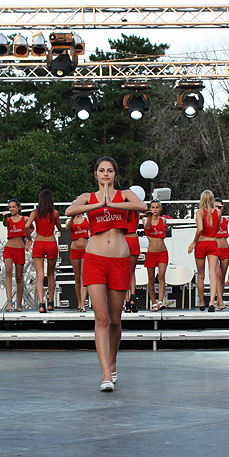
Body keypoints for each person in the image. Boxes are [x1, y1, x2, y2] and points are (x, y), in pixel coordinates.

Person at [65, 156, 147, 391]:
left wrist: (113, 204)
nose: (106, 174)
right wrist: (98, 205)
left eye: (110, 170)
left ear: (115, 174)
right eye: (101, 170)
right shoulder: (88, 197)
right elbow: (70, 210)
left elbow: (142, 206)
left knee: (115, 320)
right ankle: (105, 375)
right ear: (96, 174)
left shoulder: (125, 195)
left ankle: (112, 363)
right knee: (101, 318)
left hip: (119, 260)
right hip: (95, 259)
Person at [28, 190, 62, 313]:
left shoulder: (35, 213)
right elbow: (59, 228)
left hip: (39, 243)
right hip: (51, 242)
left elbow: (26, 226)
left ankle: (41, 304)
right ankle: (51, 303)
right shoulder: (55, 213)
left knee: (40, 275)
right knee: (51, 274)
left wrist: (29, 239)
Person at [188, 190, 220, 311]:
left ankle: (202, 302)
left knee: (201, 275)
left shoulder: (200, 212)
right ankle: (211, 302)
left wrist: (193, 242)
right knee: (213, 274)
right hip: (212, 242)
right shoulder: (218, 212)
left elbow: (200, 228)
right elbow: (217, 229)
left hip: (201, 243)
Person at [2, 198, 30, 311]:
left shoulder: (24, 219)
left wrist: (27, 238)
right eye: (10, 207)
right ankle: (9, 302)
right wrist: (5, 217)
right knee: (8, 272)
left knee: (19, 277)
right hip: (9, 248)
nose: (11, 209)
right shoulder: (8, 219)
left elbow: (31, 228)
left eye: (13, 207)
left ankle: (19, 303)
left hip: (19, 249)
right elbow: (5, 224)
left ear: (18, 207)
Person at [144, 199, 168, 311]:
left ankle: (160, 301)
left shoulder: (163, 220)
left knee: (161, 276)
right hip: (151, 253)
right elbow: (147, 228)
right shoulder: (146, 220)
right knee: (151, 279)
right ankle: (153, 302)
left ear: (160, 208)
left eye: (157, 207)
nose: (155, 210)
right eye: (153, 207)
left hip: (162, 252)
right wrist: (149, 217)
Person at [66, 213, 89, 312]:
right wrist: (72, 217)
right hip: (75, 250)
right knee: (77, 278)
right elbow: (67, 228)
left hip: (85, 250)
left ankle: (83, 304)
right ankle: (79, 302)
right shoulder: (70, 220)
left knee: (84, 276)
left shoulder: (87, 219)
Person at [214, 199, 229, 311]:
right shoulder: (211, 219)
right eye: (215, 206)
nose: (217, 208)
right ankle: (219, 301)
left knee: (222, 277)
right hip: (215, 248)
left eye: (219, 206)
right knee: (217, 276)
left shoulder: (225, 220)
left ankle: (219, 301)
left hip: (225, 248)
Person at [124, 208, 141, 313]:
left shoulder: (121, 211)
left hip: (124, 239)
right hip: (133, 239)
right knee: (132, 272)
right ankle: (133, 298)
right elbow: (137, 225)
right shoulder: (136, 211)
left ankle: (127, 302)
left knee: (124, 272)